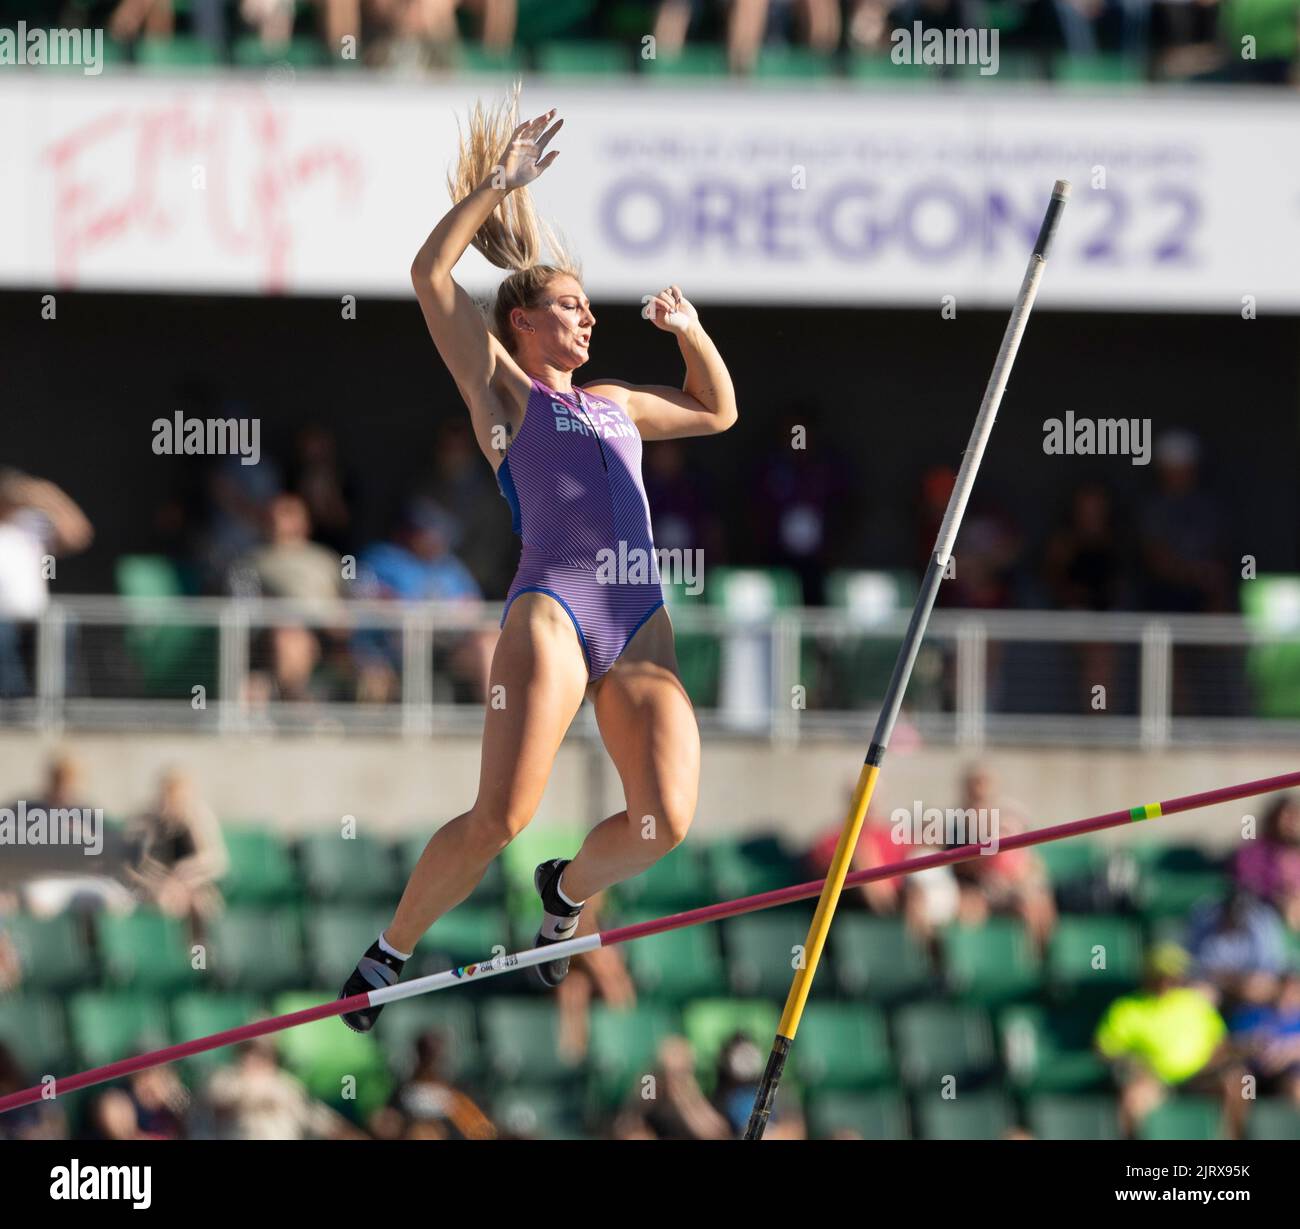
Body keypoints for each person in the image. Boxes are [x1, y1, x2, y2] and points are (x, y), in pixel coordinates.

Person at [339, 93, 737, 1028]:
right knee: (501, 817)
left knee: (663, 823)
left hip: (638, 618)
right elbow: (430, 271)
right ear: (521, 321)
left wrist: (690, 330)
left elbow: (716, 409)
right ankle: (387, 955)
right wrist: (496, 185)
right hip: (556, 607)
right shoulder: (505, 392)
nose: (588, 321)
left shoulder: (616, 402)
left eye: (591, 310)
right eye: (571, 307)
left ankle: (563, 892)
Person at [1095, 943, 1246, 1139]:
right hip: (1155, 1081)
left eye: (1173, 977)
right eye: (1161, 976)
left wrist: (1223, 1058)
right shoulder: (1126, 1008)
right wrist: (1133, 1064)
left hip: (1198, 1078)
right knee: (1133, 1100)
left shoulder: (1196, 1003)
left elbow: (1220, 1043)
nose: (1167, 983)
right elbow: (1105, 1049)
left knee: (1239, 1083)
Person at [123, 768, 229, 935]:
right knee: (165, 902)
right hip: (152, 888)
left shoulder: (199, 818)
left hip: (193, 887)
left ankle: (199, 955)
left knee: (202, 904)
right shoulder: (144, 821)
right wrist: (161, 885)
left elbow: (216, 862)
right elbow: (133, 865)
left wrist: (187, 879)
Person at [1234, 794, 1300, 929]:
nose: (1291, 824)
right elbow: (1248, 883)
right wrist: (1277, 896)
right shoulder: (1255, 852)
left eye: (1295, 817)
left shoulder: (1295, 853)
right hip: (1266, 912)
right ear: (1274, 819)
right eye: (1286, 817)